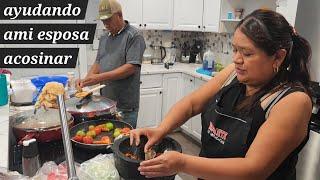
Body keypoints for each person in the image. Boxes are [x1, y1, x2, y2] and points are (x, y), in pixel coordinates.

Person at [130, 9, 312, 180]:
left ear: (278, 57)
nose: (236, 59)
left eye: (247, 53)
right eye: (235, 49)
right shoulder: (234, 72)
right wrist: (161, 130)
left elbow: (253, 170)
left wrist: (182, 163)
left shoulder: (293, 101)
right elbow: (192, 104)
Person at [77, 0, 146, 128]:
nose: (105, 24)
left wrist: (99, 78)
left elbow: (131, 68)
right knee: (106, 142)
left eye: (108, 20)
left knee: (123, 144)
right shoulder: (104, 37)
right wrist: (86, 80)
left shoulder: (134, 36)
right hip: (106, 104)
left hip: (125, 106)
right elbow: (98, 62)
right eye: (103, 21)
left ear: (119, 15)